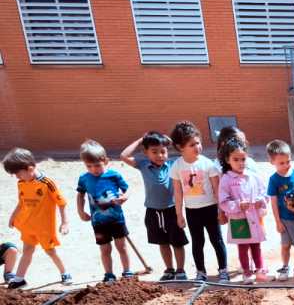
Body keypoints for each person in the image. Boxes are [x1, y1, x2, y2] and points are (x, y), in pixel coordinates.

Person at [121, 131, 188, 281]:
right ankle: (169, 269)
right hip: (153, 211)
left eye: (163, 151)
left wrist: (169, 140)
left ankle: (181, 270)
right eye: (154, 152)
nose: (160, 155)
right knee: (162, 242)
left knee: (177, 242)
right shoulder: (143, 165)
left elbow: (183, 151)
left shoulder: (173, 163)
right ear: (146, 152)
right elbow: (123, 156)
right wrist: (140, 140)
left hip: (172, 210)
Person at [2, 148, 71, 289]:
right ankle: (20, 278)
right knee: (27, 250)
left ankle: (65, 272)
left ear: (30, 168)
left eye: (18, 173)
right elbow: (21, 202)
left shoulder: (47, 183)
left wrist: (65, 222)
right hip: (28, 225)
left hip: (44, 227)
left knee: (50, 251)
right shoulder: (21, 183)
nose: (16, 177)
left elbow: (61, 203)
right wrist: (13, 216)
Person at [169, 121, 229, 282]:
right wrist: (179, 214)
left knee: (217, 240)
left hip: (210, 209)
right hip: (192, 211)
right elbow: (178, 192)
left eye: (198, 143)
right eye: (192, 144)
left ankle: (223, 270)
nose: (197, 147)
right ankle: (201, 272)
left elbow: (217, 190)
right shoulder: (176, 166)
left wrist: (221, 210)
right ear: (180, 147)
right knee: (197, 242)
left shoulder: (208, 164)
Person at [76, 139, 132, 282]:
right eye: (89, 166)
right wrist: (81, 212)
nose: (94, 169)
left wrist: (124, 197)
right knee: (105, 249)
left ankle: (127, 272)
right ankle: (109, 274)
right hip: (98, 222)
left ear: (105, 161)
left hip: (117, 219)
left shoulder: (113, 175)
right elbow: (80, 195)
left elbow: (127, 189)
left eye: (97, 165)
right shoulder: (84, 179)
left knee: (122, 247)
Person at [217, 138, 270, 284]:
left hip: (254, 217)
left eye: (243, 159)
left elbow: (264, 193)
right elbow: (223, 201)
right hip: (239, 219)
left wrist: (261, 201)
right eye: (236, 159)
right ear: (228, 160)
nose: (241, 163)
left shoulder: (253, 176)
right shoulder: (226, 179)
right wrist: (238, 205)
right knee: (243, 246)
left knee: (256, 245)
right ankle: (246, 273)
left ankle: (259, 270)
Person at [266, 139, 294, 282]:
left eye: (288, 161)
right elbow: (273, 201)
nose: (285, 165)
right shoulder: (274, 179)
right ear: (272, 162)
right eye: (281, 163)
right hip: (284, 219)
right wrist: (278, 221)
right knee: (285, 245)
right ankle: (285, 266)